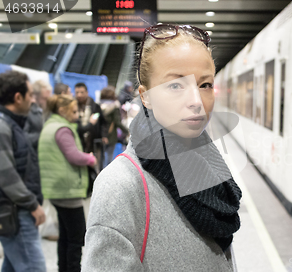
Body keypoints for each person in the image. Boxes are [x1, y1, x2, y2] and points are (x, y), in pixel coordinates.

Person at [82, 24, 242, 271]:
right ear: (145, 96)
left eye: (205, 85)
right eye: (176, 86)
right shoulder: (121, 186)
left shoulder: (209, 165)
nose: (196, 102)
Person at [38, 94, 96, 272]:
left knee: (65, 235)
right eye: (73, 110)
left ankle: (63, 268)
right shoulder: (62, 129)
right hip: (67, 190)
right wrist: (90, 158)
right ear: (62, 110)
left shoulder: (50, 125)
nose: (77, 114)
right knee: (76, 238)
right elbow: (74, 156)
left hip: (56, 189)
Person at [0, 70, 47, 271]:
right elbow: (6, 174)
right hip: (16, 212)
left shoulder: (12, 124)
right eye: (30, 95)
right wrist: (32, 203)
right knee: (33, 267)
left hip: (16, 211)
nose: (33, 100)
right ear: (17, 97)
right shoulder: (2, 126)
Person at [75, 82, 107, 170]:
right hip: (79, 140)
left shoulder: (94, 106)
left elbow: (102, 122)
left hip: (93, 140)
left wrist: (104, 135)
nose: (79, 95)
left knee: (95, 164)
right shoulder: (74, 106)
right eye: (77, 92)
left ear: (87, 92)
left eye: (81, 92)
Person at [99, 86, 129, 167]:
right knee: (109, 157)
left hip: (99, 134)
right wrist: (127, 131)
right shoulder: (114, 107)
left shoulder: (98, 105)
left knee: (101, 157)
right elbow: (117, 122)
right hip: (111, 135)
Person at [24, 79, 52, 151]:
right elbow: (24, 136)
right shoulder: (28, 113)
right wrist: (44, 136)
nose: (47, 102)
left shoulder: (50, 112)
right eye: (44, 98)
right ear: (35, 96)